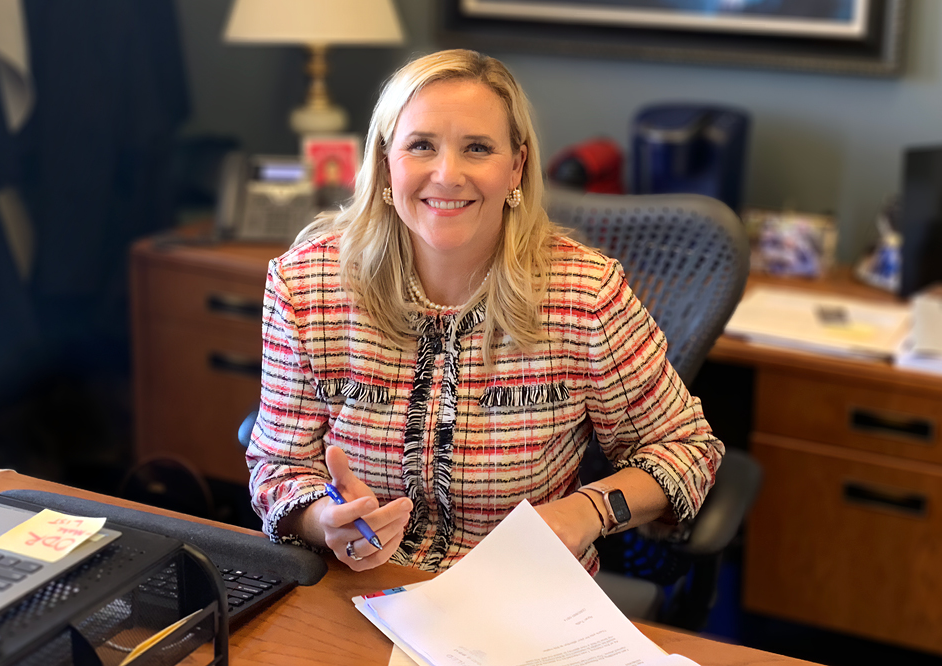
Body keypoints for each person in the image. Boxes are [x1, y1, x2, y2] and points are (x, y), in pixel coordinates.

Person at [246, 49, 723, 574]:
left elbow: (686, 448)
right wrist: (325, 522)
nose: (447, 175)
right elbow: (278, 467)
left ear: (516, 166)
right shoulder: (307, 283)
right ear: (386, 162)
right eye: (421, 145)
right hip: (354, 587)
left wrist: (583, 513)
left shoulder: (582, 293)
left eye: (477, 148)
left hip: (520, 595)